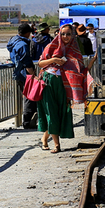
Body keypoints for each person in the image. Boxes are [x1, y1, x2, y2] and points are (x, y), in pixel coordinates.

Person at [37, 24, 82, 153]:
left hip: (64, 85)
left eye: (68, 34)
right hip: (48, 83)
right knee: (51, 112)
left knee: (61, 112)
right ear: (59, 34)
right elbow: (40, 63)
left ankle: (44, 138)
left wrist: (93, 61)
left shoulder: (74, 49)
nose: (65, 37)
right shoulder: (51, 46)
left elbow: (80, 68)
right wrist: (54, 59)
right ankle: (57, 145)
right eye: (63, 34)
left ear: (73, 35)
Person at [8, 23, 38, 128]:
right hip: (25, 74)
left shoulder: (13, 41)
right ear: (27, 33)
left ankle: (27, 120)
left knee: (27, 96)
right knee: (30, 97)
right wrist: (33, 75)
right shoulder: (23, 45)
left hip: (19, 73)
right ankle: (27, 122)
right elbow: (26, 62)